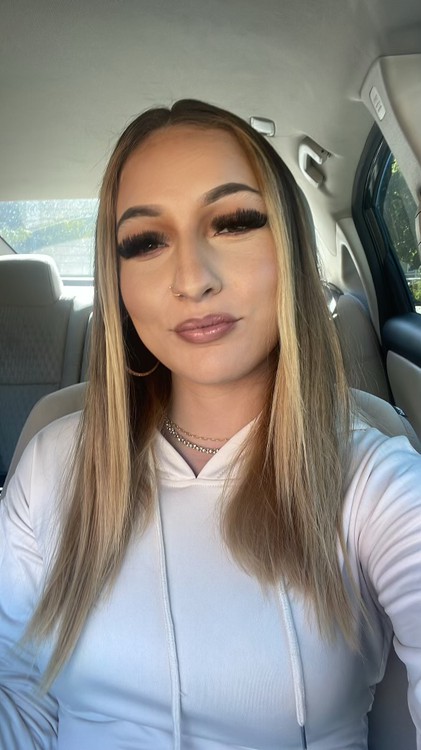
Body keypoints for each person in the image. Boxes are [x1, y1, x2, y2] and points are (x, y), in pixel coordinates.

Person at [0, 99, 420, 750]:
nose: (192, 279)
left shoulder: (375, 482)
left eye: (234, 222)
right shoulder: (53, 464)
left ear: (290, 249)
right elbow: (17, 690)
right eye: (145, 242)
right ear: (119, 283)